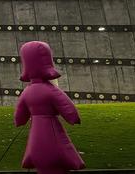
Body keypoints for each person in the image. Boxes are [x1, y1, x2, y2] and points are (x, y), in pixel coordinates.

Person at [14, 41, 85, 174]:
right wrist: (74, 119)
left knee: (40, 158)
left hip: (35, 132)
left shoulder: (27, 92)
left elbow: (20, 116)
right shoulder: (50, 90)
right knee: (57, 154)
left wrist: (20, 121)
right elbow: (68, 108)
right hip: (50, 128)